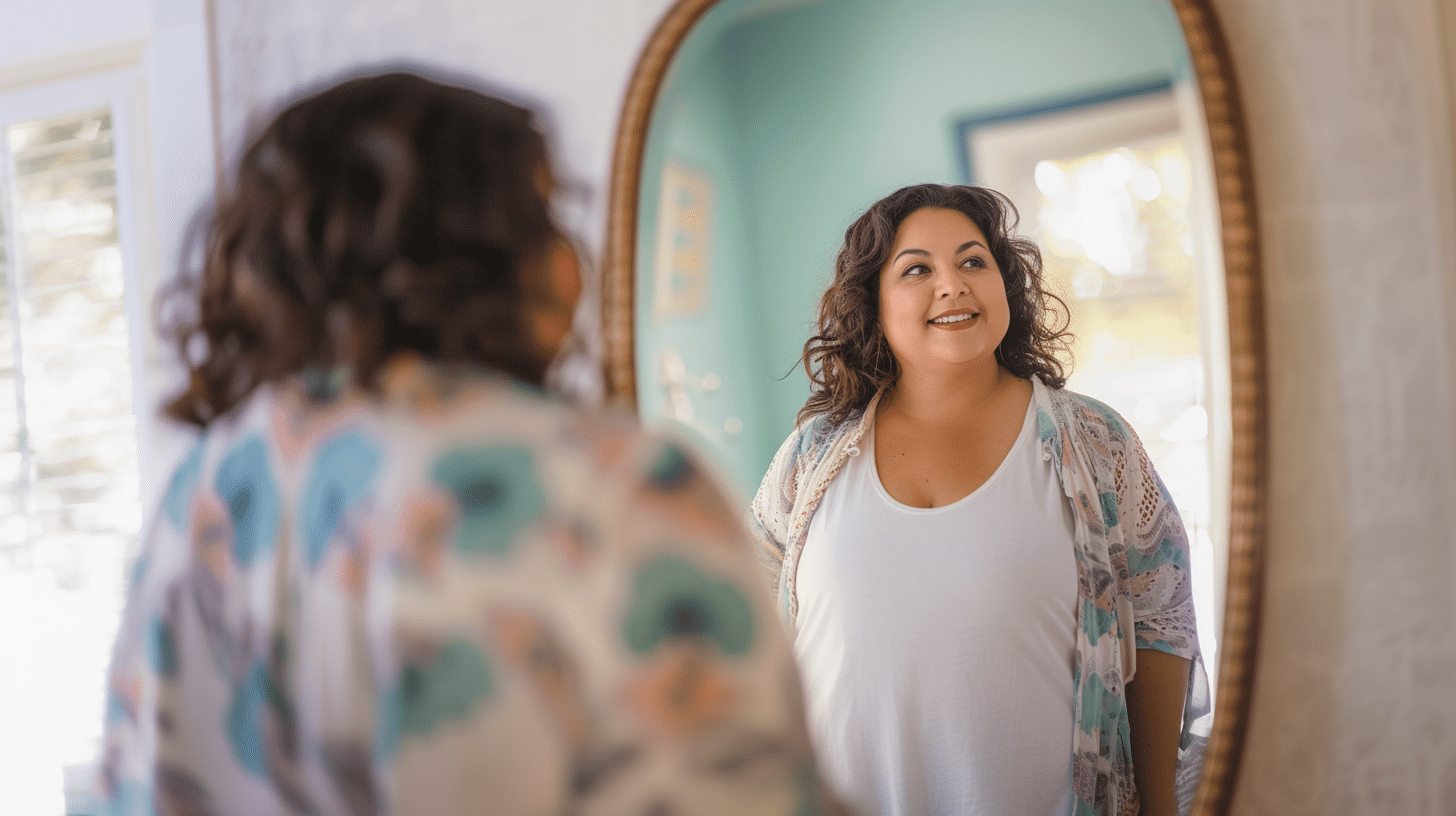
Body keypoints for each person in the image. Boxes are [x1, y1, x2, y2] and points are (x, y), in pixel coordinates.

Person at [95, 70, 836, 816]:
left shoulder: (200, 497)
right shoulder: (606, 485)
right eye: (550, 214)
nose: (577, 260)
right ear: (488, 253)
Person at [750, 184, 1209, 816]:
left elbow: (1162, 622)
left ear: (1004, 287)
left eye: (973, 261)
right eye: (917, 269)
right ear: (874, 305)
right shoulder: (811, 459)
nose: (953, 284)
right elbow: (746, 630)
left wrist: (1157, 806)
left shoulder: (1097, 444)